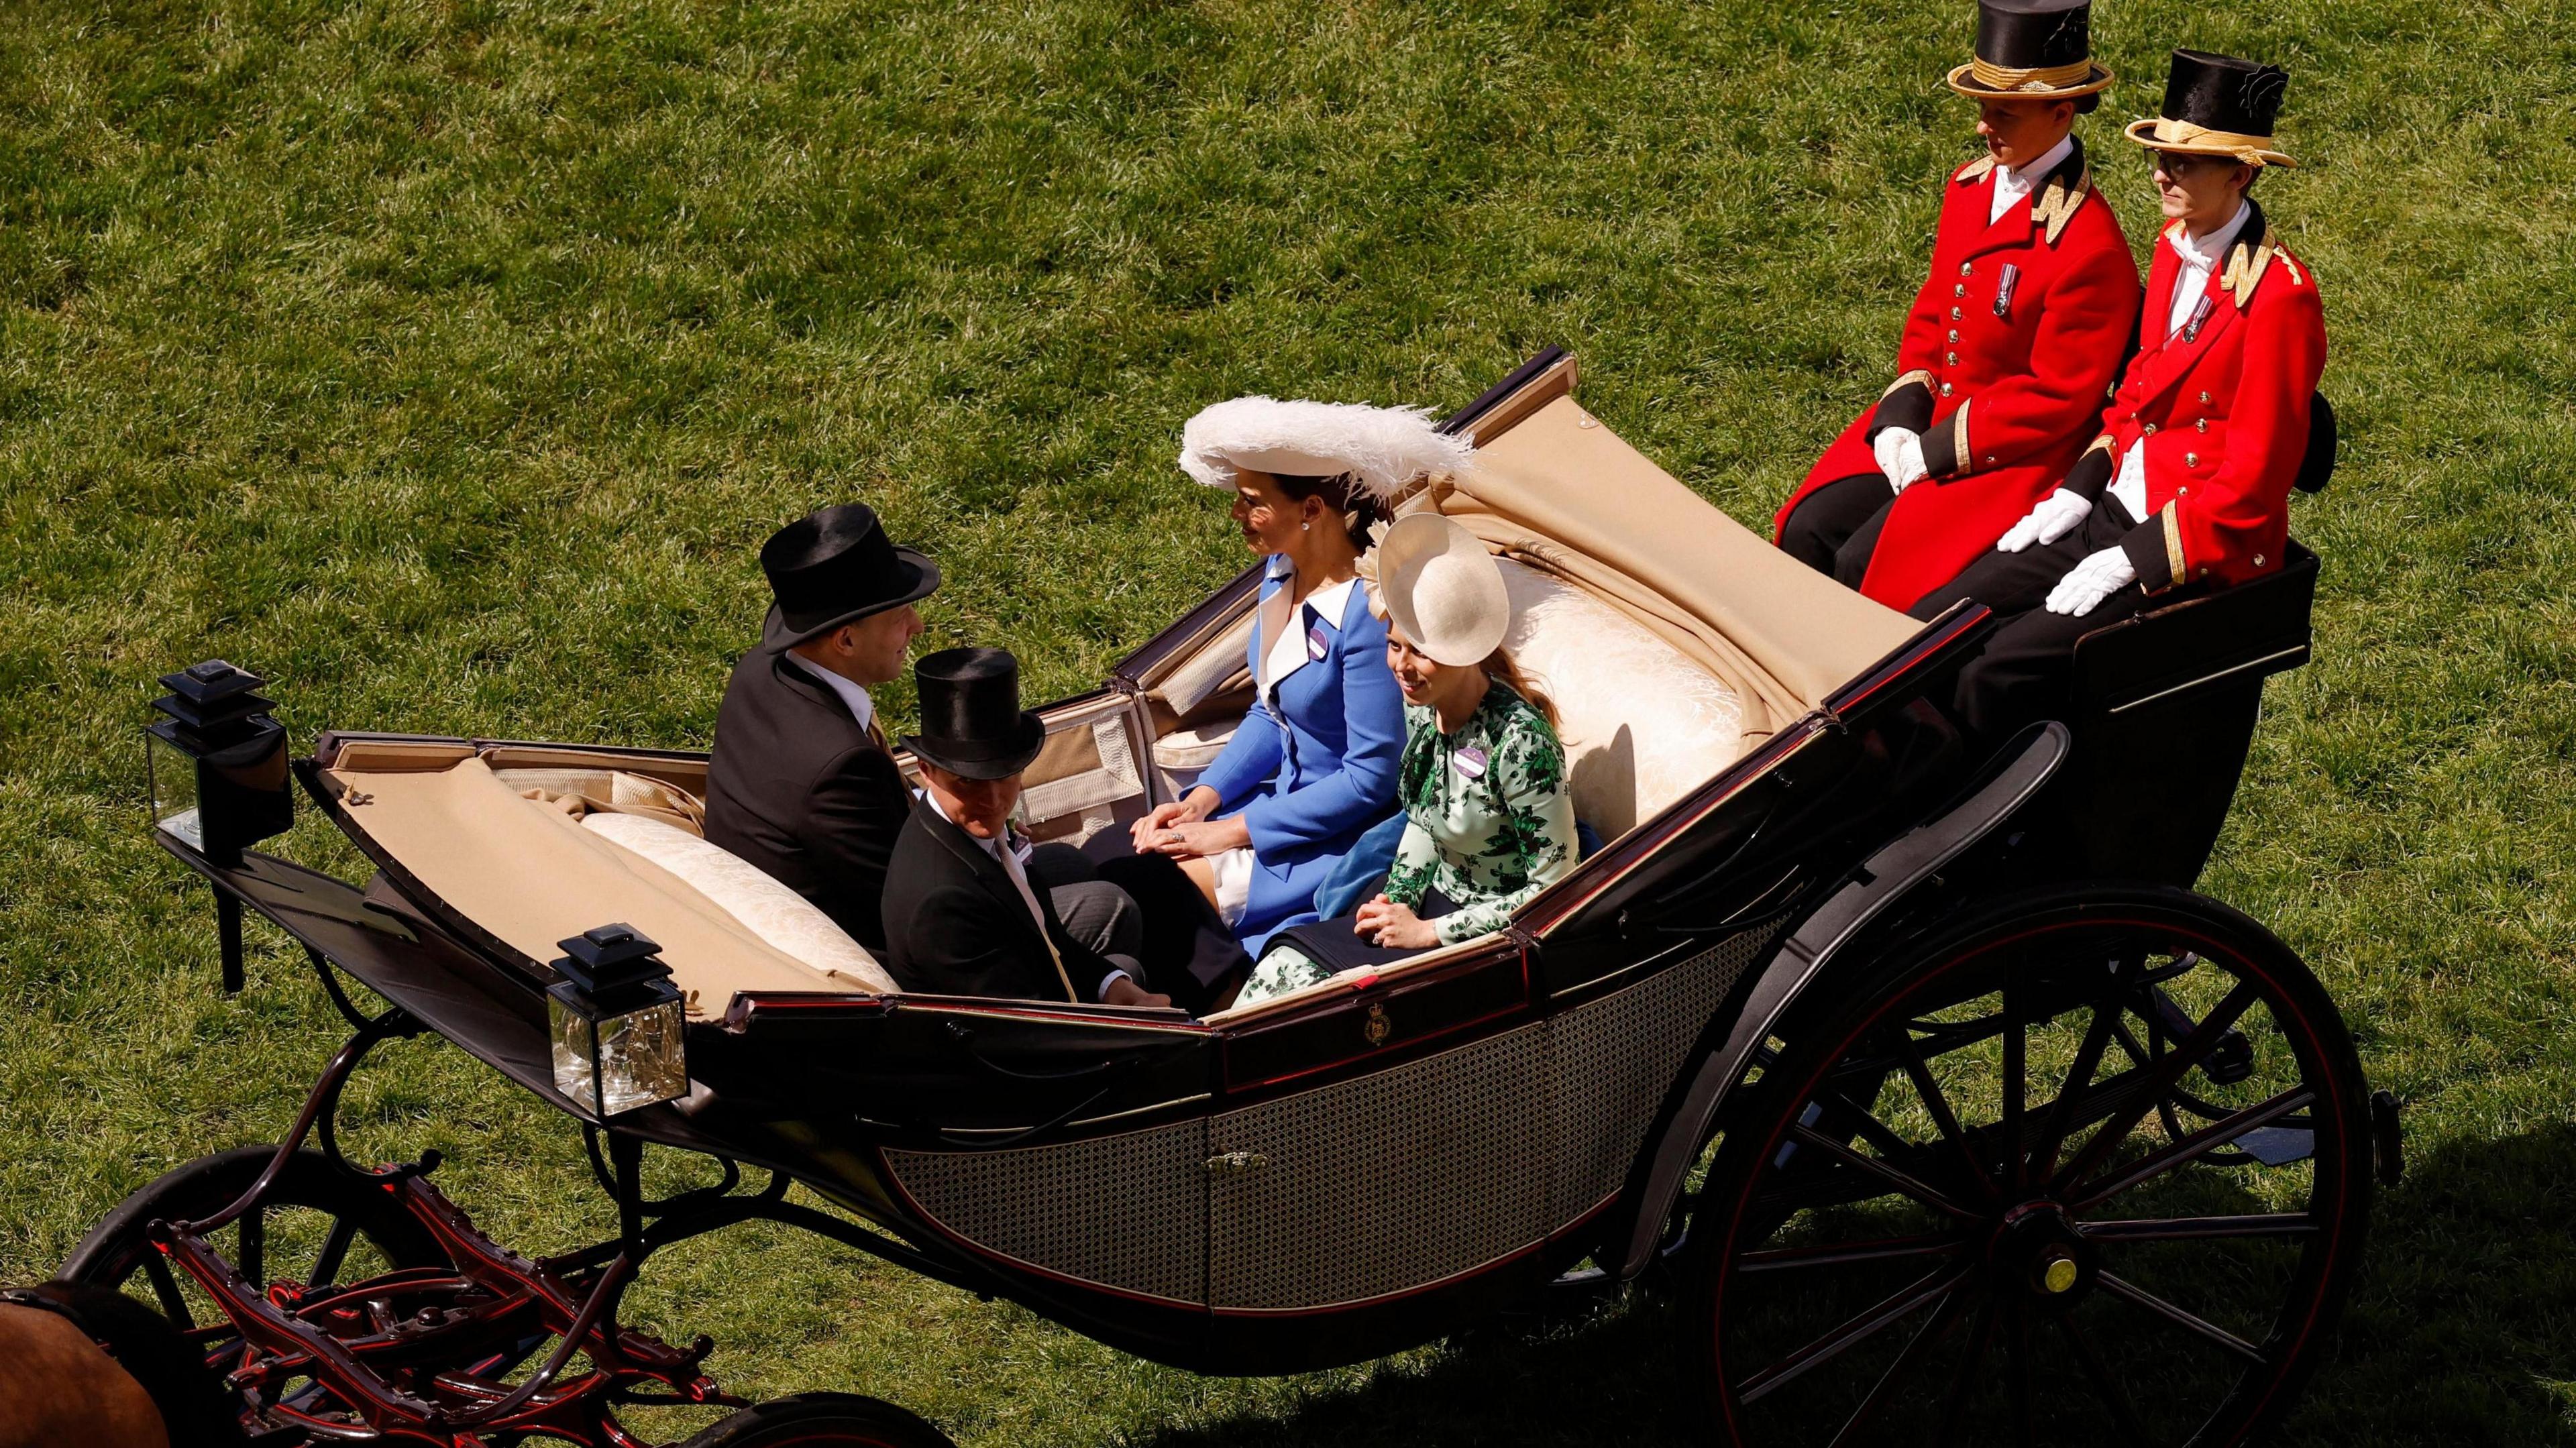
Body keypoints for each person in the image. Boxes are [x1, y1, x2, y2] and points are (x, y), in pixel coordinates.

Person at [1911, 49, 2326, 745]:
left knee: (1997, 669)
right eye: (2161, 158)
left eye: (2185, 163)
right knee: (1934, 621)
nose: (2163, 174)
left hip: (2189, 538)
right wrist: (2080, 485)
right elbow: (2139, 389)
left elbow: (2255, 482)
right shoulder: (2172, 244)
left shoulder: (2282, 298)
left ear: (2242, 174)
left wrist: (2135, 557)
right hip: (2111, 503)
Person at [1774, 0, 2141, 611]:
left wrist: (1935, 451)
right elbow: (1935, 311)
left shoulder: (2090, 248)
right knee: (1808, 527)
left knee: (1867, 567)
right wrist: (1901, 415)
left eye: (2004, 112)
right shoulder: (1968, 188)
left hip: (2005, 457)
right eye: (1982, 108)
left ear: (2061, 112)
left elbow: (2056, 397)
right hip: (1933, 420)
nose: (1983, 126)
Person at [1124, 397, 1469, 956]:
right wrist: (1204, 799)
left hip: (1331, 842)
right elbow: (1269, 706)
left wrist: (1233, 832)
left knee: (1151, 897)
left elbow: (1369, 779)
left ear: (1311, 508)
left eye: (1251, 501)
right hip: (1272, 806)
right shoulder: (1279, 570)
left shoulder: (1366, 612)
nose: (1236, 513)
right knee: (1135, 864)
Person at [1237, 514, 1578, 1005]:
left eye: (1418, 652)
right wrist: (1398, 896)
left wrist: (1429, 932)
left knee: (1323, 1002)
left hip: (1492, 944)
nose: (1401, 666)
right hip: (1428, 905)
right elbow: (1423, 820)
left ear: (1464, 653)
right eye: (1394, 646)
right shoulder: (1422, 708)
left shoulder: (1521, 743)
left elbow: (1555, 891)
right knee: (1283, 966)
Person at [703, 504, 936, 952]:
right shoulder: (843, 769)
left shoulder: (757, 672)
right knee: (1100, 902)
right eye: (900, 617)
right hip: (868, 966)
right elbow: (918, 908)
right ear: (845, 640)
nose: (918, 627)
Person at [880, 649, 1171, 1006]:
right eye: (966, 782)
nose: (993, 801)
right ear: (925, 771)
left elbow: (1047, 935)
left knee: (1124, 971)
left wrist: (1113, 986)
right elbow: (1020, 1035)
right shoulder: (944, 906)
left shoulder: (968, 829)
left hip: (1031, 983)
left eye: (1004, 776)